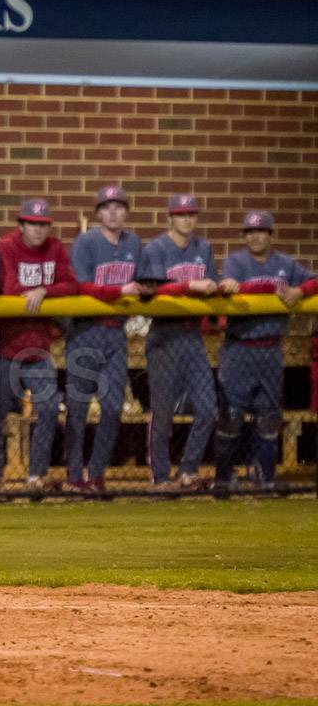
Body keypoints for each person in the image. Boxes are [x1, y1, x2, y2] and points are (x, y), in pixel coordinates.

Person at [214, 211, 318, 489]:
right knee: (231, 417)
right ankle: (224, 479)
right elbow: (243, 287)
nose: (255, 236)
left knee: (269, 417)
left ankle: (266, 479)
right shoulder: (236, 261)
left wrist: (299, 291)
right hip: (239, 348)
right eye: (249, 231)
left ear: (270, 235)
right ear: (244, 236)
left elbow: (314, 280)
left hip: (271, 349)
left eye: (261, 231)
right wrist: (277, 288)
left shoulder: (285, 263)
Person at [0, 199, 77, 493]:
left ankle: (36, 476)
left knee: (49, 408)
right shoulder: (7, 247)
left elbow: (72, 284)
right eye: (32, 224)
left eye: (43, 224)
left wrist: (43, 291)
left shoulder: (56, 248)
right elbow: (10, 289)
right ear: (21, 225)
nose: (38, 230)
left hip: (38, 345)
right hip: (4, 343)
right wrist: (39, 292)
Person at [64, 186, 150, 493]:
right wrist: (118, 292)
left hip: (116, 333)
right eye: (107, 207)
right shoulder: (86, 242)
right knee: (77, 409)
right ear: (98, 213)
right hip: (86, 332)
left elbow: (141, 281)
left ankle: (97, 474)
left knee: (114, 407)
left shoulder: (134, 243)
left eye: (119, 207)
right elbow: (80, 285)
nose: (113, 212)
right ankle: (75, 477)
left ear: (126, 211)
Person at [137, 193, 222, 490]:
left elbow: (211, 288)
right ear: (170, 218)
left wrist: (220, 287)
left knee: (208, 408)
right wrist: (191, 286)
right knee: (163, 412)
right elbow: (152, 291)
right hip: (164, 336)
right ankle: (160, 477)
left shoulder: (204, 248)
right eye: (181, 214)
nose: (187, 219)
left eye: (191, 214)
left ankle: (188, 471)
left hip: (193, 338)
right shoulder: (157, 249)